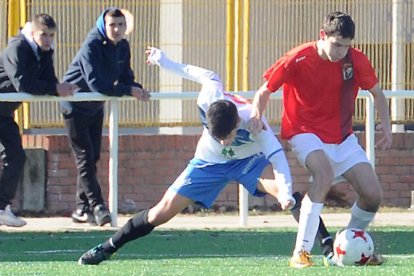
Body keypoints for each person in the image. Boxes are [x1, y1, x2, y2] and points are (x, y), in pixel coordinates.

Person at [76, 46, 299, 265]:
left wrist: (286, 192)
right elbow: (205, 75)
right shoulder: (207, 99)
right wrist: (164, 62)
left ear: (237, 123)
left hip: (247, 161)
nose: (223, 142)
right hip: (208, 163)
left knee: (288, 194)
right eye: (218, 137)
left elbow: (278, 157)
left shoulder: (254, 122)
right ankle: (106, 248)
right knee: (159, 214)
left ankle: (323, 248)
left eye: (228, 136)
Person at [248, 11, 392, 268]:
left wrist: (387, 126)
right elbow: (265, 90)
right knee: (323, 174)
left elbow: (377, 93)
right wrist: (257, 116)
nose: (341, 52)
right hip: (304, 132)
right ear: (322, 35)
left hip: (343, 138)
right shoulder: (298, 57)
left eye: (347, 47)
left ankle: (348, 245)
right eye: (337, 45)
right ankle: (301, 252)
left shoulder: (355, 60)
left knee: (373, 195)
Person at [62, 7, 150, 227]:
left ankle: (81, 208)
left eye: (121, 25)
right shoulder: (91, 45)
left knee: (93, 158)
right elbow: (97, 84)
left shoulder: (123, 46)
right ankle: (98, 206)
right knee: (84, 157)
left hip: (95, 107)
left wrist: (138, 88)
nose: (117, 29)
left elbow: (126, 76)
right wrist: (128, 90)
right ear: (103, 25)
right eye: (113, 25)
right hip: (75, 106)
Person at [0, 14, 76, 227]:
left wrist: (61, 87)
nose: (48, 40)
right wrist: (54, 89)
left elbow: (49, 80)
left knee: (16, 156)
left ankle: (0, 207)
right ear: (33, 33)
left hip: (3, 114)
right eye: (44, 35)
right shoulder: (16, 48)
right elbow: (22, 85)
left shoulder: (45, 51)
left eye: (52, 35)